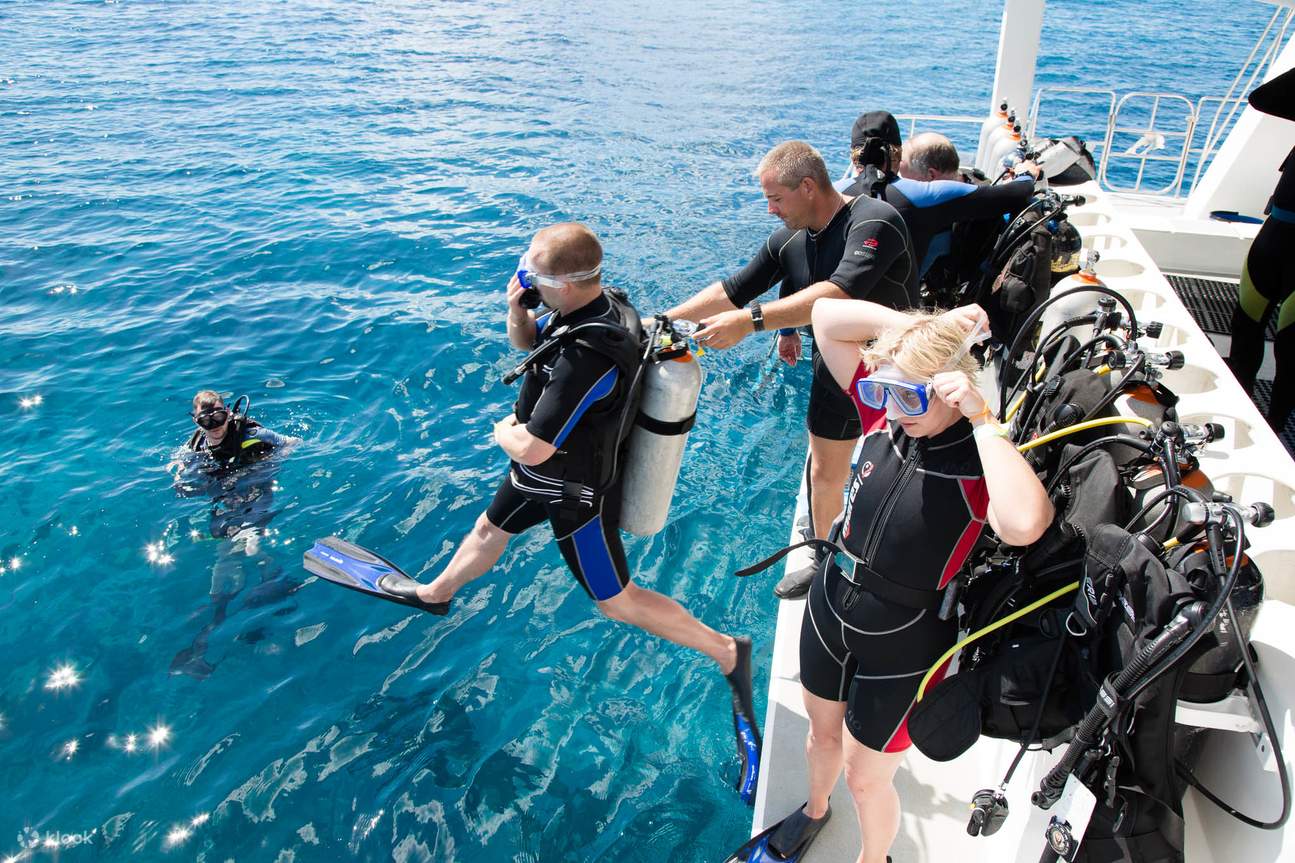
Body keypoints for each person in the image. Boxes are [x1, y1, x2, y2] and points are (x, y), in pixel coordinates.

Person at [395, 223, 760, 795]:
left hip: (574, 493)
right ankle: (437, 592)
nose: (526, 282)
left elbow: (536, 444)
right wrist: (517, 308)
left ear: (564, 283)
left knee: (616, 601)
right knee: (490, 528)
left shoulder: (588, 355)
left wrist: (502, 430)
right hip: (539, 478)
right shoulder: (602, 303)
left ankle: (727, 651)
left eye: (534, 277)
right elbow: (526, 344)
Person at [740, 298, 1053, 863]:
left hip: (907, 643)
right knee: (820, 736)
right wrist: (924, 330)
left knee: (866, 778)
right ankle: (814, 810)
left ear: (950, 388)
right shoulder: (887, 415)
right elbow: (828, 321)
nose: (892, 407)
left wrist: (983, 420)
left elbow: (1026, 525)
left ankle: (872, 858)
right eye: (881, 389)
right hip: (831, 606)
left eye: (909, 395)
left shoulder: (978, 460)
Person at [665, 141, 917, 599]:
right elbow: (734, 289)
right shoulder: (788, 241)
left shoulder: (875, 221)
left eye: (776, 198)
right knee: (824, 474)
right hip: (835, 372)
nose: (769, 210)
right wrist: (668, 320)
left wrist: (754, 322)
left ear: (807, 186)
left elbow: (840, 292)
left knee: (898, 475)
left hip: (897, 374)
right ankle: (826, 561)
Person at [842, 123, 1041, 281]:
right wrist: (1026, 174)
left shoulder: (841, 189)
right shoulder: (934, 196)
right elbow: (1016, 193)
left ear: (931, 175)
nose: (899, 181)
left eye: (905, 174)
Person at [1226, 65, 1295, 432]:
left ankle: (1277, 424)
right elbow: (1263, 98)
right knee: (1245, 326)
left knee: (1290, 347)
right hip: (1274, 234)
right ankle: (1240, 407)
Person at [185, 391, 296, 468]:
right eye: (206, 421)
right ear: (196, 421)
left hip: (256, 471)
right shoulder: (197, 442)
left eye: (219, 417)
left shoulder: (252, 434)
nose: (215, 425)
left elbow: (292, 442)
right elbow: (182, 455)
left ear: (228, 413)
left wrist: (273, 461)